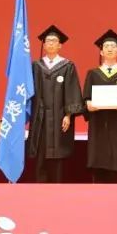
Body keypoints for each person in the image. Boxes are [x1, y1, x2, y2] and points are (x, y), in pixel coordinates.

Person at [28, 25, 83, 183]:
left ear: (60, 45)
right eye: (48, 41)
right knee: (40, 153)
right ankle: (40, 191)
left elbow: (72, 90)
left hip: (59, 117)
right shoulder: (36, 66)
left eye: (54, 41)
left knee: (58, 153)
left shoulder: (67, 66)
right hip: (40, 118)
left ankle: (57, 189)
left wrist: (68, 115)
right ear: (44, 45)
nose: (51, 43)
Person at [83, 30, 117, 181]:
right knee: (98, 160)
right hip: (98, 123)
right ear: (101, 51)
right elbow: (86, 98)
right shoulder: (93, 73)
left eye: (113, 46)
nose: (110, 49)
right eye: (106, 46)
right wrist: (88, 104)